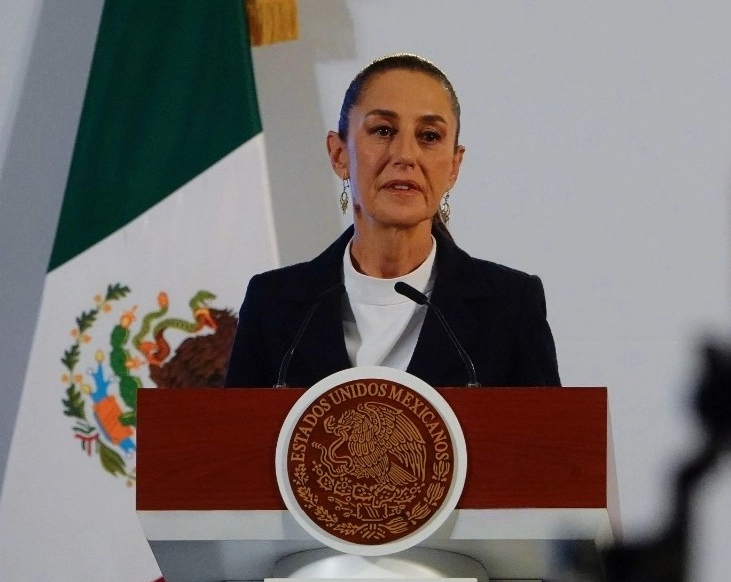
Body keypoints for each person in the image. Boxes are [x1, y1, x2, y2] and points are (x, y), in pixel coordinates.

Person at [224, 54, 560, 388]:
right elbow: (233, 439)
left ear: (454, 166)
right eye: (383, 130)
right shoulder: (273, 303)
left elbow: (549, 439)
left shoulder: (510, 306)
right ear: (339, 155)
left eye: (429, 136)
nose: (405, 155)